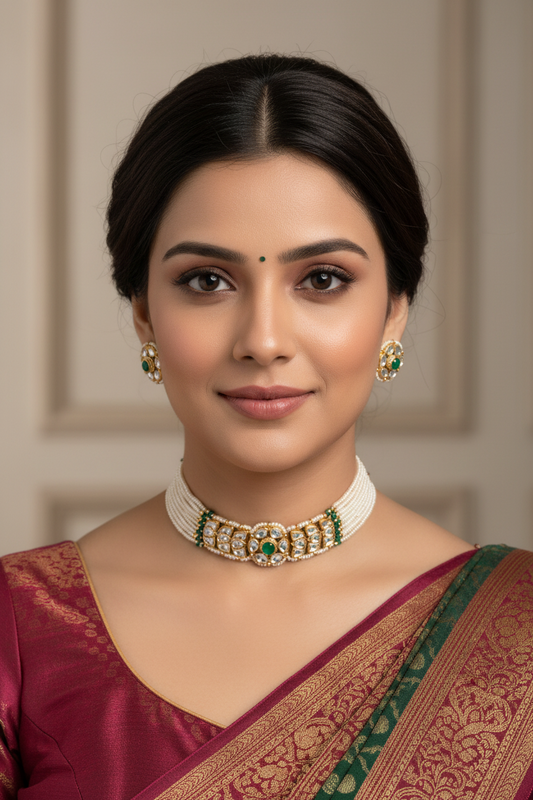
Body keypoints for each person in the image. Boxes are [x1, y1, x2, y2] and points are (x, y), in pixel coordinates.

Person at [1, 54, 532, 800]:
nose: (263, 339)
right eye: (206, 281)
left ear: (394, 309)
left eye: (321, 280)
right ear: (144, 312)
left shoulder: (516, 629)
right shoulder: (21, 630)